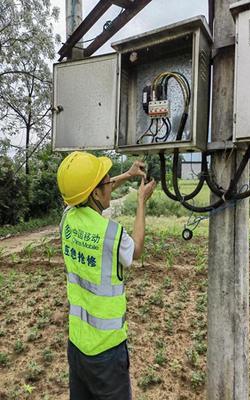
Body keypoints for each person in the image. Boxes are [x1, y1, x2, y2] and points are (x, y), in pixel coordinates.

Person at [57, 151, 156, 400]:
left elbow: (87, 193)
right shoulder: (112, 234)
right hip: (107, 352)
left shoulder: (67, 219)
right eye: (108, 181)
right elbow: (137, 250)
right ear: (96, 193)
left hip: (77, 346)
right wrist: (141, 201)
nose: (111, 185)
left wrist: (128, 175)